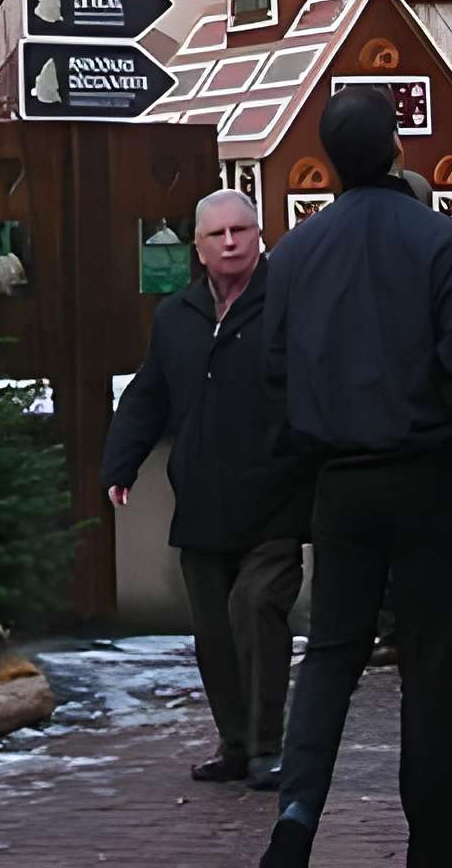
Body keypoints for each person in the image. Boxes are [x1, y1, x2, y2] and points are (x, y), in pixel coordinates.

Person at [254, 88, 452, 868]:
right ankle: (436, 844)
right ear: (397, 147)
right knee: (432, 665)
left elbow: (274, 374)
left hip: (341, 481)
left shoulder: (295, 253)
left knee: (331, 652)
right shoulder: (442, 244)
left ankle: (294, 822)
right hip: (430, 478)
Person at [104, 190, 310, 791]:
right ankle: (236, 743)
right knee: (214, 632)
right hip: (201, 498)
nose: (229, 242)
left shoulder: (288, 305)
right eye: (216, 234)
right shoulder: (178, 316)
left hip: (275, 495)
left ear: (260, 234)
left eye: (240, 231)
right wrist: (120, 464)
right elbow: (148, 395)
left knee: (257, 609)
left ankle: (270, 746)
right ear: (197, 245)